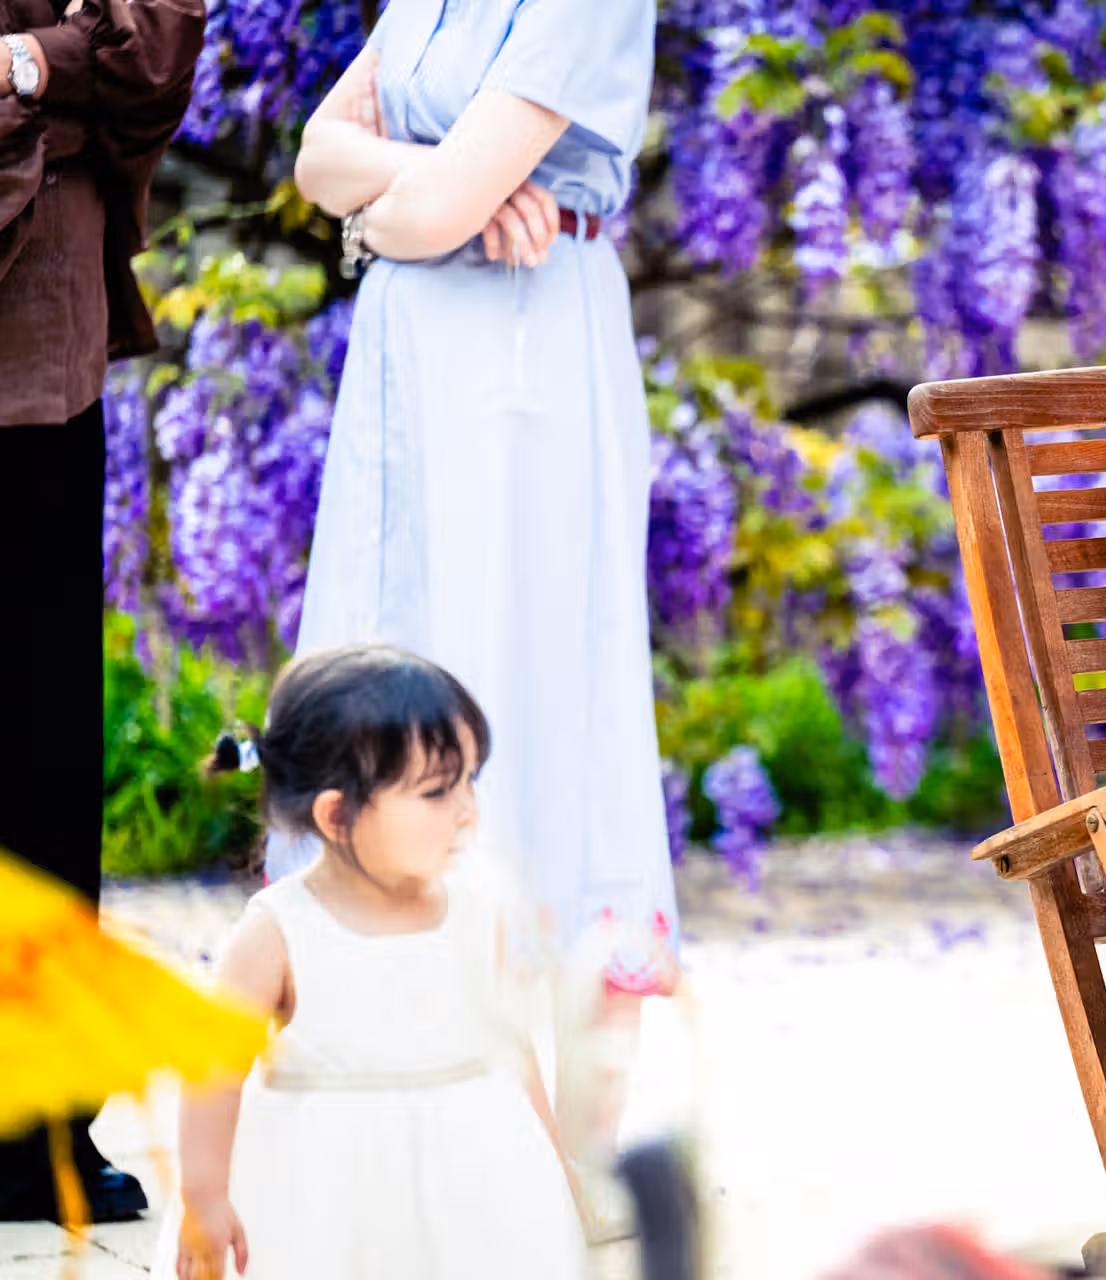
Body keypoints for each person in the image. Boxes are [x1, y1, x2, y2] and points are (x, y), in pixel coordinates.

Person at [282, 0, 677, 1216]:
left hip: (526, 360)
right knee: (389, 687)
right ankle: (442, 1113)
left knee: (534, 712)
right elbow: (313, 158)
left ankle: (571, 1152)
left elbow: (427, 209)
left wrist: (404, 198)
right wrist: (421, 186)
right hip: (408, 360)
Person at [152, 644, 589, 1280]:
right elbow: (212, 1070)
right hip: (324, 1197)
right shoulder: (280, 932)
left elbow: (512, 1051)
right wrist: (205, 1196)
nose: (467, 808)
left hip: (471, 1182)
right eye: (438, 791)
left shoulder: (475, 912)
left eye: (471, 780)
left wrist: (552, 1172)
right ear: (337, 814)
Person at [0, 0, 204, 1225]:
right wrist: (53, 70)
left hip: (34, 343)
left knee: (38, 754)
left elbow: (158, 42)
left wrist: (33, 60)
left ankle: (34, 1127)